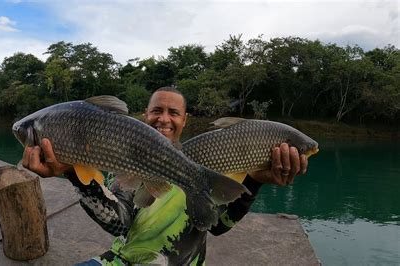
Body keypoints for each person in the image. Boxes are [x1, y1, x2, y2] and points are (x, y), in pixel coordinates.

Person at [21, 87, 308, 265]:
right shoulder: (124, 158)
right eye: (157, 110)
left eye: (174, 112)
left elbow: (217, 226)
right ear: (145, 115)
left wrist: (255, 180)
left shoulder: (208, 161)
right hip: (122, 262)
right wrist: (72, 173)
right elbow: (119, 223)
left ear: (185, 120)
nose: (164, 119)